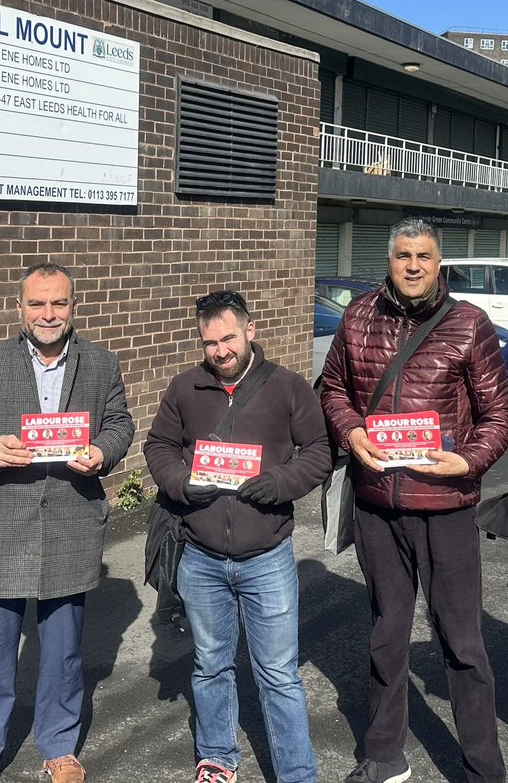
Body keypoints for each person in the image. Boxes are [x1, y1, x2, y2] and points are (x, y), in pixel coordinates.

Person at [319, 218, 508, 783]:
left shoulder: (467, 324)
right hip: (378, 503)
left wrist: (471, 459)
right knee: (386, 633)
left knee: (462, 643)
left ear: (439, 262)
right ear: (389, 260)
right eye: (403, 255)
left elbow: (501, 413)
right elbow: (333, 388)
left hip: (446, 506)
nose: (412, 265)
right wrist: (351, 431)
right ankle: (384, 756)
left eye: (423, 256)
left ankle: (483, 769)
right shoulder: (358, 316)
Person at [0, 262, 135, 783]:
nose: (48, 314)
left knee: (64, 651)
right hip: (5, 522)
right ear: (19, 308)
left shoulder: (100, 364)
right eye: (37, 304)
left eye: (59, 303)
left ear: (74, 306)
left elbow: (120, 422)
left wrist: (103, 451)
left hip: (71, 517)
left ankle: (58, 746)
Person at [144, 291, 332, 783]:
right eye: (209, 342)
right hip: (200, 555)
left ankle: (296, 774)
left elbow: (317, 452)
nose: (220, 351)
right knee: (210, 665)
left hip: (266, 553)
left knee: (278, 675)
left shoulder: (289, 388)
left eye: (228, 337)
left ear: (251, 331)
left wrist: (280, 483)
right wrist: (180, 483)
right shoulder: (185, 388)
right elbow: (159, 445)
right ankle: (217, 757)